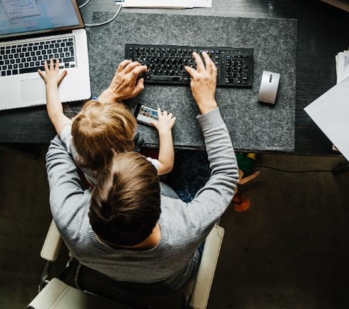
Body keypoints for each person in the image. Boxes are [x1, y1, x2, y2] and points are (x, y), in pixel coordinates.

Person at [45, 52, 239, 293]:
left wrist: (107, 99)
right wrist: (207, 103)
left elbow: (59, 147)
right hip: (172, 281)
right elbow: (227, 176)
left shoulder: (68, 219)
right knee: (196, 158)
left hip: (109, 277)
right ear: (160, 205)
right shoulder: (186, 227)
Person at [38, 58, 176, 185]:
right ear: (128, 143)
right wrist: (165, 131)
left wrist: (51, 83)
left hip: (96, 183)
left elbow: (55, 114)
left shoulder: (74, 142)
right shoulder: (130, 166)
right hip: (125, 183)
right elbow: (166, 165)